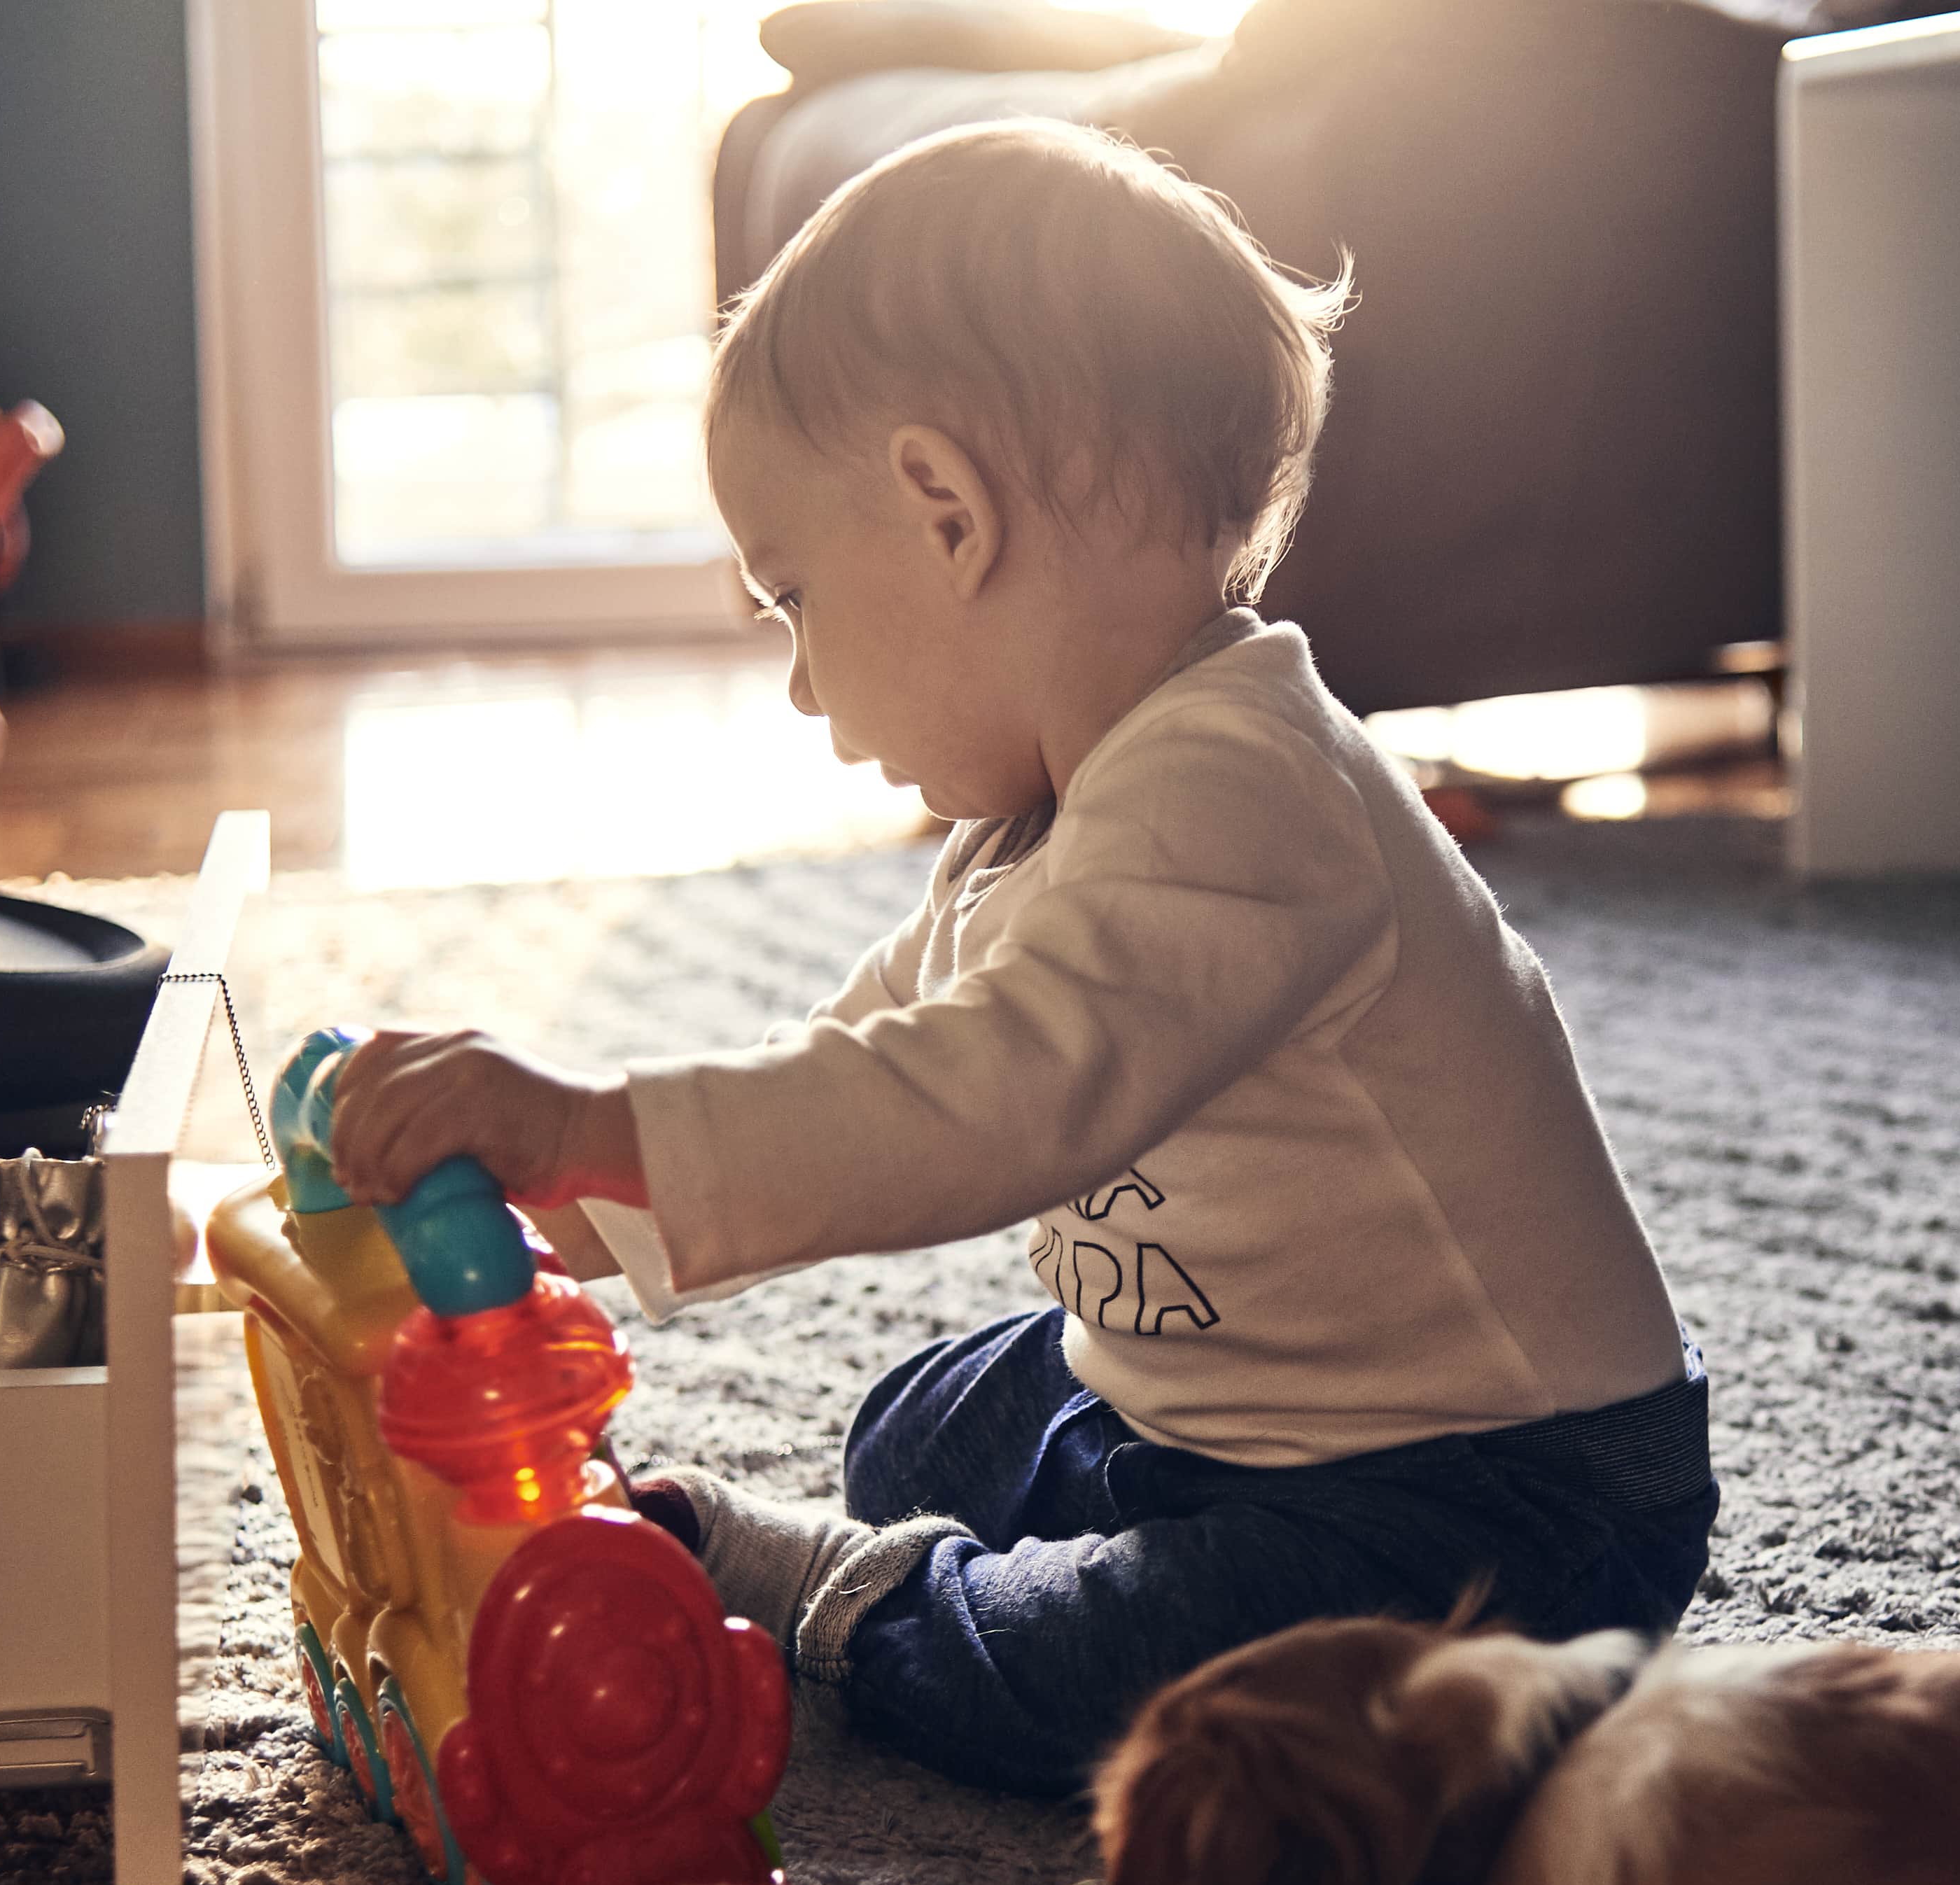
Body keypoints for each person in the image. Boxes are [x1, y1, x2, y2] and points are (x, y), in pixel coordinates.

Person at [326, 119, 1714, 1800]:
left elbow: (973, 1104)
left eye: (792, 599)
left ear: (947, 513)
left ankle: (839, 1598)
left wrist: (587, 1117)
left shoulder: (1243, 789)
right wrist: (574, 1207)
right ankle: (967, 1549)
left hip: (1498, 1501)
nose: (799, 683)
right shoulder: (1043, 814)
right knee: (915, 1430)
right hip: (1223, 1416)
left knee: (1101, 1687)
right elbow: (851, 1059)